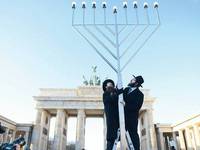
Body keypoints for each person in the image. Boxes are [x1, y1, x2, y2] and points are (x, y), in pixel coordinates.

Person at [123, 75, 144, 150]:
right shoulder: (126, 90)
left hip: (132, 118)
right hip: (122, 117)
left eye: (133, 80)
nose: (131, 80)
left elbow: (136, 107)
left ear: (136, 83)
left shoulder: (140, 95)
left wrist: (126, 104)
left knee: (133, 135)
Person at [102, 79, 123, 150]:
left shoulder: (114, 93)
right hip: (111, 120)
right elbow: (111, 99)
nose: (111, 85)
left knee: (117, 137)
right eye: (109, 84)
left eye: (111, 84)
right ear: (105, 87)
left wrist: (118, 91)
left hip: (117, 119)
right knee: (111, 139)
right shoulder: (106, 94)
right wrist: (117, 91)